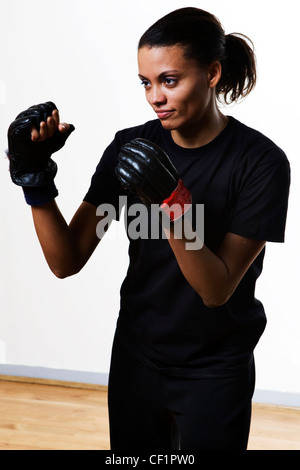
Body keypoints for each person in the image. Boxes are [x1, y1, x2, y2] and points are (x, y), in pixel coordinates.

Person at [7, 7, 290, 450]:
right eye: (146, 82)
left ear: (212, 73)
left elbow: (215, 290)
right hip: (137, 357)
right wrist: (36, 179)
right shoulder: (130, 148)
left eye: (170, 80)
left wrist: (173, 204)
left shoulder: (260, 164)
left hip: (215, 368)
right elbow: (67, 260)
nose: (155, 96)